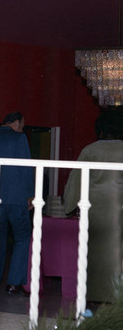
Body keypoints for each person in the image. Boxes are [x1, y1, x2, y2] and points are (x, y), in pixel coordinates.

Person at [63, 110, 123, 303]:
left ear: (100, 130)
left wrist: (69, 205)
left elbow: (76, 181)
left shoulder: (90, 150)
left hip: (96, 211)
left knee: (96, 257)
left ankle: (95, 298)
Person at [0, 111, 34, 297]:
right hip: (16, 197)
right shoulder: (19, 139)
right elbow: (26, 169)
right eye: (22, 125)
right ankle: (14, 283)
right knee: (22, 237)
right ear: (15, 123)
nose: (22, 129)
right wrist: (30, 195)